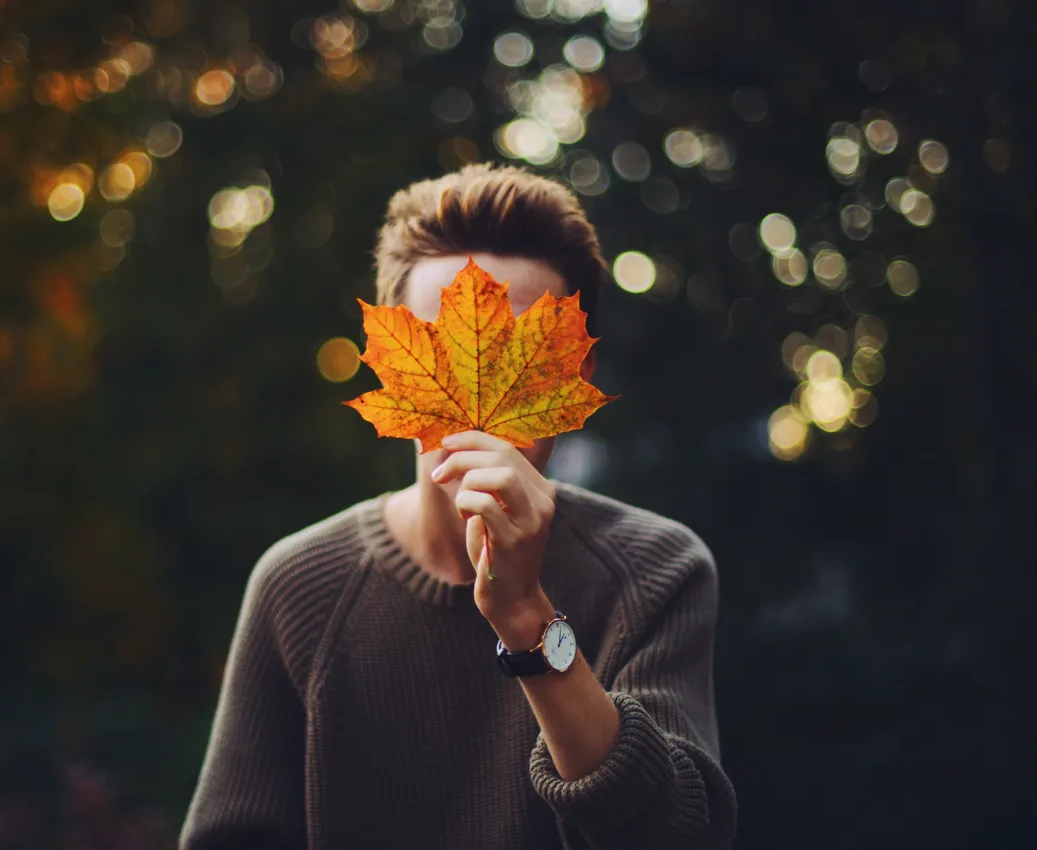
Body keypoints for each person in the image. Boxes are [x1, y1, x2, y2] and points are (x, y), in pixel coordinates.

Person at [180, 162, 737, 849]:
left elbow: (678, 834)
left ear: (576, 377)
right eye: (441, 345)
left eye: (524, 355)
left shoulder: (656, 572)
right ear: (390, 366)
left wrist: (528, 621)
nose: (482, 403)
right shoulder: (298, 587)